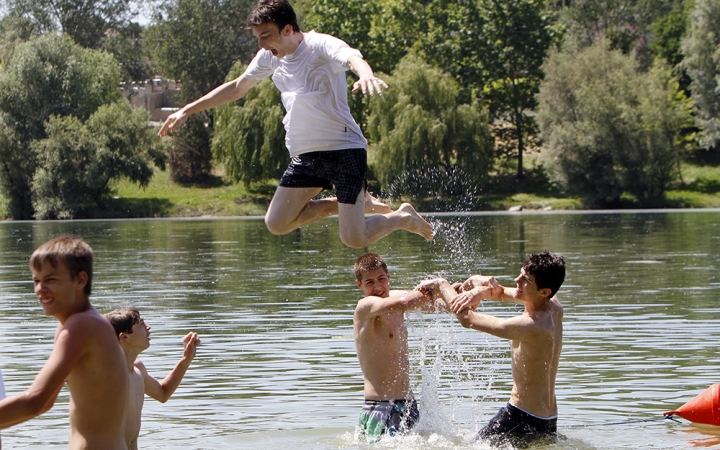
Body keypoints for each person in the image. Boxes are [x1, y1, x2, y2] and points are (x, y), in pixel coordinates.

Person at [158, 0, 433, 249]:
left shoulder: (320, 46)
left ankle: (402, 217)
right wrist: (187, 109)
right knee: (277, 223)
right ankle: (347, 203)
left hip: (344, 150)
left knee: (353, 238)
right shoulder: (269, 57)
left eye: (266, 36)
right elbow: (237, 87)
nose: (261, 45)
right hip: (305, 155)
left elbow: (352, 58)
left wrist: (367, 74)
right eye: (257, 38)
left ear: (288, 29)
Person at [419, 251, 566, 448]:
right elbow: (504, 292)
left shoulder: (533, 325)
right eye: (521, 274)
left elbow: (468, 319)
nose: (517, 280)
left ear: (545, 291)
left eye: (526, 280)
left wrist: (441, 285)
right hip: (547, 420)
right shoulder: (553, 306)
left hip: (520, 417)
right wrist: (479, 290)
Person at [0, 236, 128, 449]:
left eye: (50, 280)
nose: (40, 289)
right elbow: (45, 403)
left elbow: (34, 400)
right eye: (36, 280)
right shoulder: (73, 325)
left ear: (80, 280)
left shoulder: (81, 325)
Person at [353, 253, 446, 443]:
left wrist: (467, 293)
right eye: (369, 282)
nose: (377, 287)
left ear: (389, 277)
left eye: (381, 279)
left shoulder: (396, 296)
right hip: (381, 407)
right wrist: (438, 285)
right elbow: (405, 303)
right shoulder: (365, 306)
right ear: (359, 285)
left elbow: (440, 305)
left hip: (408, 406)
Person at [104, 308, 200, 450]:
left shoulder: (138, 369)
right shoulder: (105, 374)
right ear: (124, 337)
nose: (148, 327)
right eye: (141, 324)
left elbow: (162, 393)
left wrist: (186, 359)